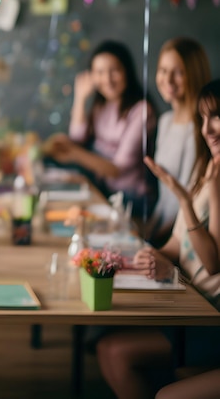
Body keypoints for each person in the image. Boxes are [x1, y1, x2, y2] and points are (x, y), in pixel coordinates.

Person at [96, 79, 220, 399]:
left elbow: (212, 261)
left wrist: (184, 200)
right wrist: (146, 256)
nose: (208, 129)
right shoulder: (205, 171)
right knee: (108, 349)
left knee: (117, 354)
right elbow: (180, 243)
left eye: (216, 117)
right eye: (203, 119)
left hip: (208, 317)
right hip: (191, 306)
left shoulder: (214, 181)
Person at [42, 40, 157, 220]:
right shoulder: (102, 105)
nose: (107, 79)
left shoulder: (141, 110)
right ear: (92, 76)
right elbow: (77, 137)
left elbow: (117, 170)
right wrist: (80, 98)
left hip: (131, 199)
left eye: (114, 70)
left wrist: (74, 153)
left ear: (127, 70)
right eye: (100, 72)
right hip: (104, 190)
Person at [148, 38, 211, 246]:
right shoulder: (165, 121)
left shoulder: (201, 128)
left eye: (178, 72)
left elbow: (185, 199)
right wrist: (146, 231)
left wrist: (155, 242)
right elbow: (165, 197)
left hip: (181, 240)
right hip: (160, 231)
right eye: (163, 70)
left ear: (194, 75)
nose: (168, 79)